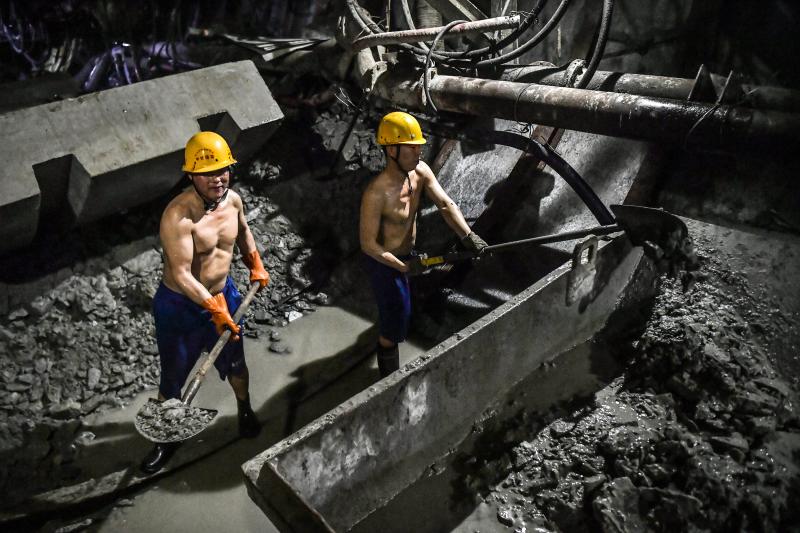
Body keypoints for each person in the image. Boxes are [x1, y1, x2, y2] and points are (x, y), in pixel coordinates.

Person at [140, 131, 270, 475]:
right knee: (173, 375)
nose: (218, 178)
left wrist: (254, 262)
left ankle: (244, 410)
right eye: (209, 173)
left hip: (223, 294)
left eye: (223, 170)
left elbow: (242, 232)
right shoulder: (178, 216)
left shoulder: (234, 201)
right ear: (191, 176)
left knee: (236, 364)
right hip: (180, 306)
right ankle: (166, 438)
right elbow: (183, 274)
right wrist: (214, 310)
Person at [359, 111, 487, 378]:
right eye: (412, 148)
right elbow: (368, 244)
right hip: (384, 262)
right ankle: (387, 381)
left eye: (419, 147)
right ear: (392, 150)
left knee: (403, 310)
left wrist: (468, 237)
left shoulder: (420, 172)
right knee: (394, 323)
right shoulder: (377, 193)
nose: (419, 153)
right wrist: (402, 267)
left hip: (408, 255)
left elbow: (445, 204)